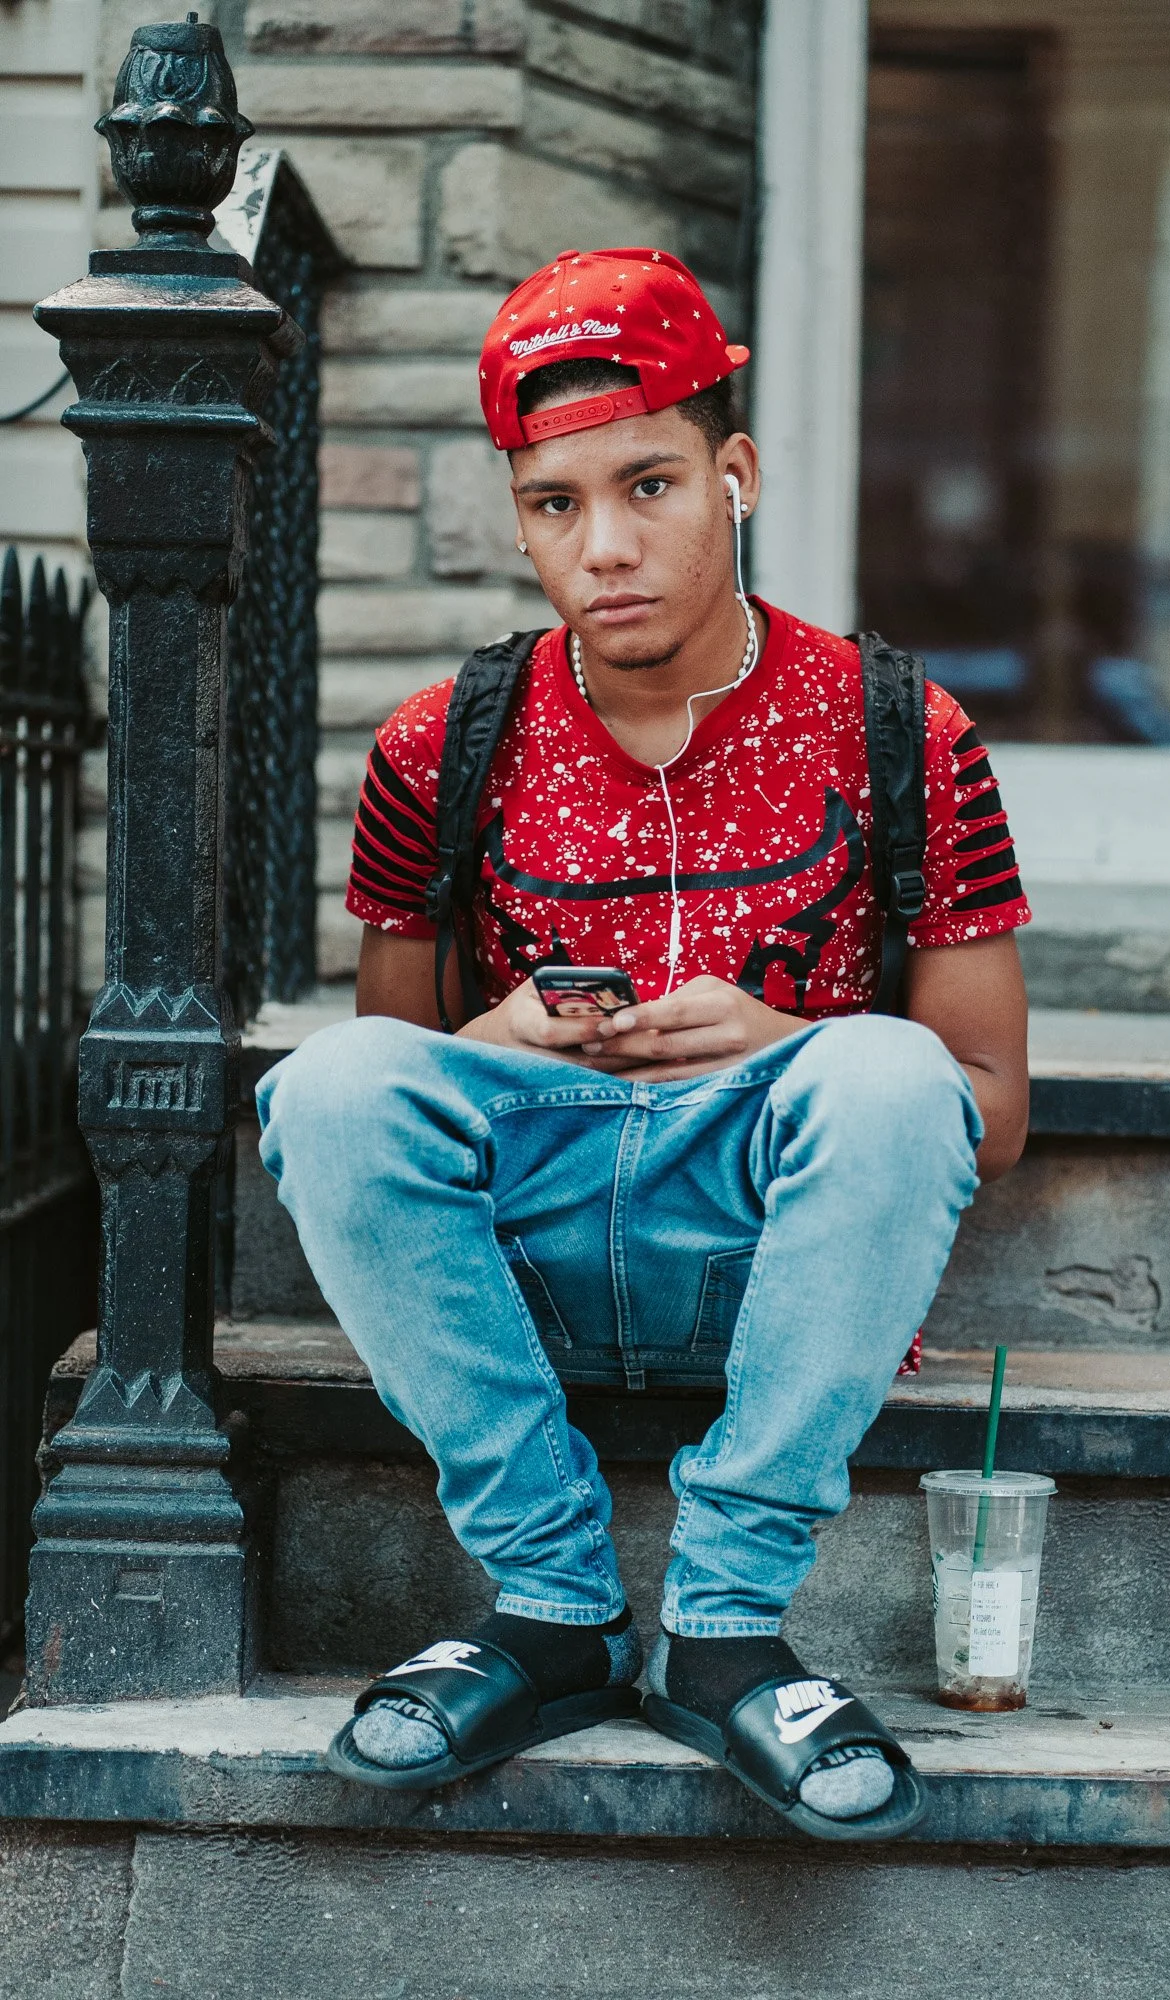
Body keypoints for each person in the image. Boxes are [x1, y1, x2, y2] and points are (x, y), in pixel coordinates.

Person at [258, 247, 1031, 1840]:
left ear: (734, 474)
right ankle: (553, 1610)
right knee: (326, 1086)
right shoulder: (439, 745)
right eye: (555, 504)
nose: (604, 547)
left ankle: (724, 1628)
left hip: (774, 1264)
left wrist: (787, 1037)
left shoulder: (899, 728)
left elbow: (987, 1109)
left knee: (890, 1072)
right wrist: (507, 1040)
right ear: (518, 517)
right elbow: (398, 1084)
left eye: (650, 485)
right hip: (524, 1277)